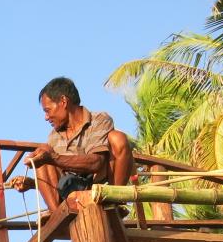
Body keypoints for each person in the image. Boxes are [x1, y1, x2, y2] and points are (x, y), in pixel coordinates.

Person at [12, 76, 133, 207]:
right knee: (43, 152)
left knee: (118, 138)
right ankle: (57, 216)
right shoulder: (54, 136)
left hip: (101, 186)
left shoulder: (99, 119)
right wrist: (32, 183)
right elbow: (63, 178)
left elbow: (96, 163)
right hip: (72, 194)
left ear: (63, 101)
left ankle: (114, 201)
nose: (46, 117)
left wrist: (53, 158)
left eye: (47, 110)